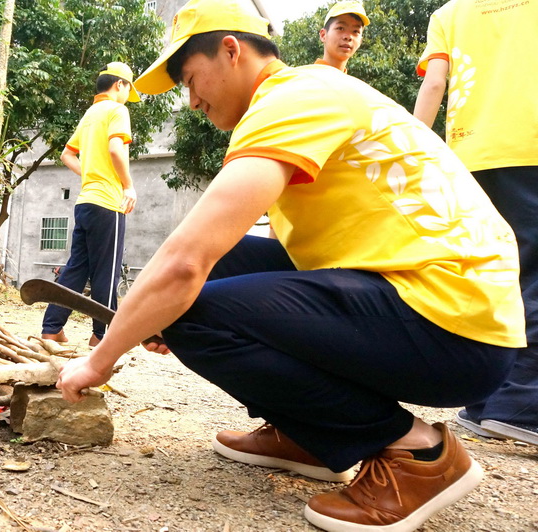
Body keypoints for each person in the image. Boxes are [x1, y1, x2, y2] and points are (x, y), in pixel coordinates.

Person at [55, 0, 526, 530]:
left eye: (190, 80)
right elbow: (233, 257)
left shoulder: (290, 100)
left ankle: (418, 453)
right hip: (435, 301)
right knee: (223, 265)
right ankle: (312, 434)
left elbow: (185, 262)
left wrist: (100, 360)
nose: (192, 101)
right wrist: (162, 310)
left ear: (230, 51)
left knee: (192, 309)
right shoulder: (308, 93)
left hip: (453, 326)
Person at [413, 0, 538, 446]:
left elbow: (434, 83)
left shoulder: (449, 13)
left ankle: (484, 402)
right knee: (534, 274)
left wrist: (411, 157)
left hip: (469, 158)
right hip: (530, 147)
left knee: (493, 275)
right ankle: (521, 407)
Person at [41, 61, 140, 347]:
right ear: (120, 84)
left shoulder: (90, 114)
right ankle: (102, 335)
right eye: (128, 90)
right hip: (108, 203)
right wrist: (128, 186)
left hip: (85, 202)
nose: (127, 96)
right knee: (106, 271)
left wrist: (90, 175)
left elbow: (67, 154)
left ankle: (51, 329)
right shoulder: (117, 110)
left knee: (76, 268)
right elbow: (115, 149)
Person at [315, 1, 369, 72]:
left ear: (360, 41)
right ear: (323, 35)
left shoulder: (350, 80)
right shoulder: (304, 76)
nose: (348, 37)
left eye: (355, 31)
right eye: (340, 28)